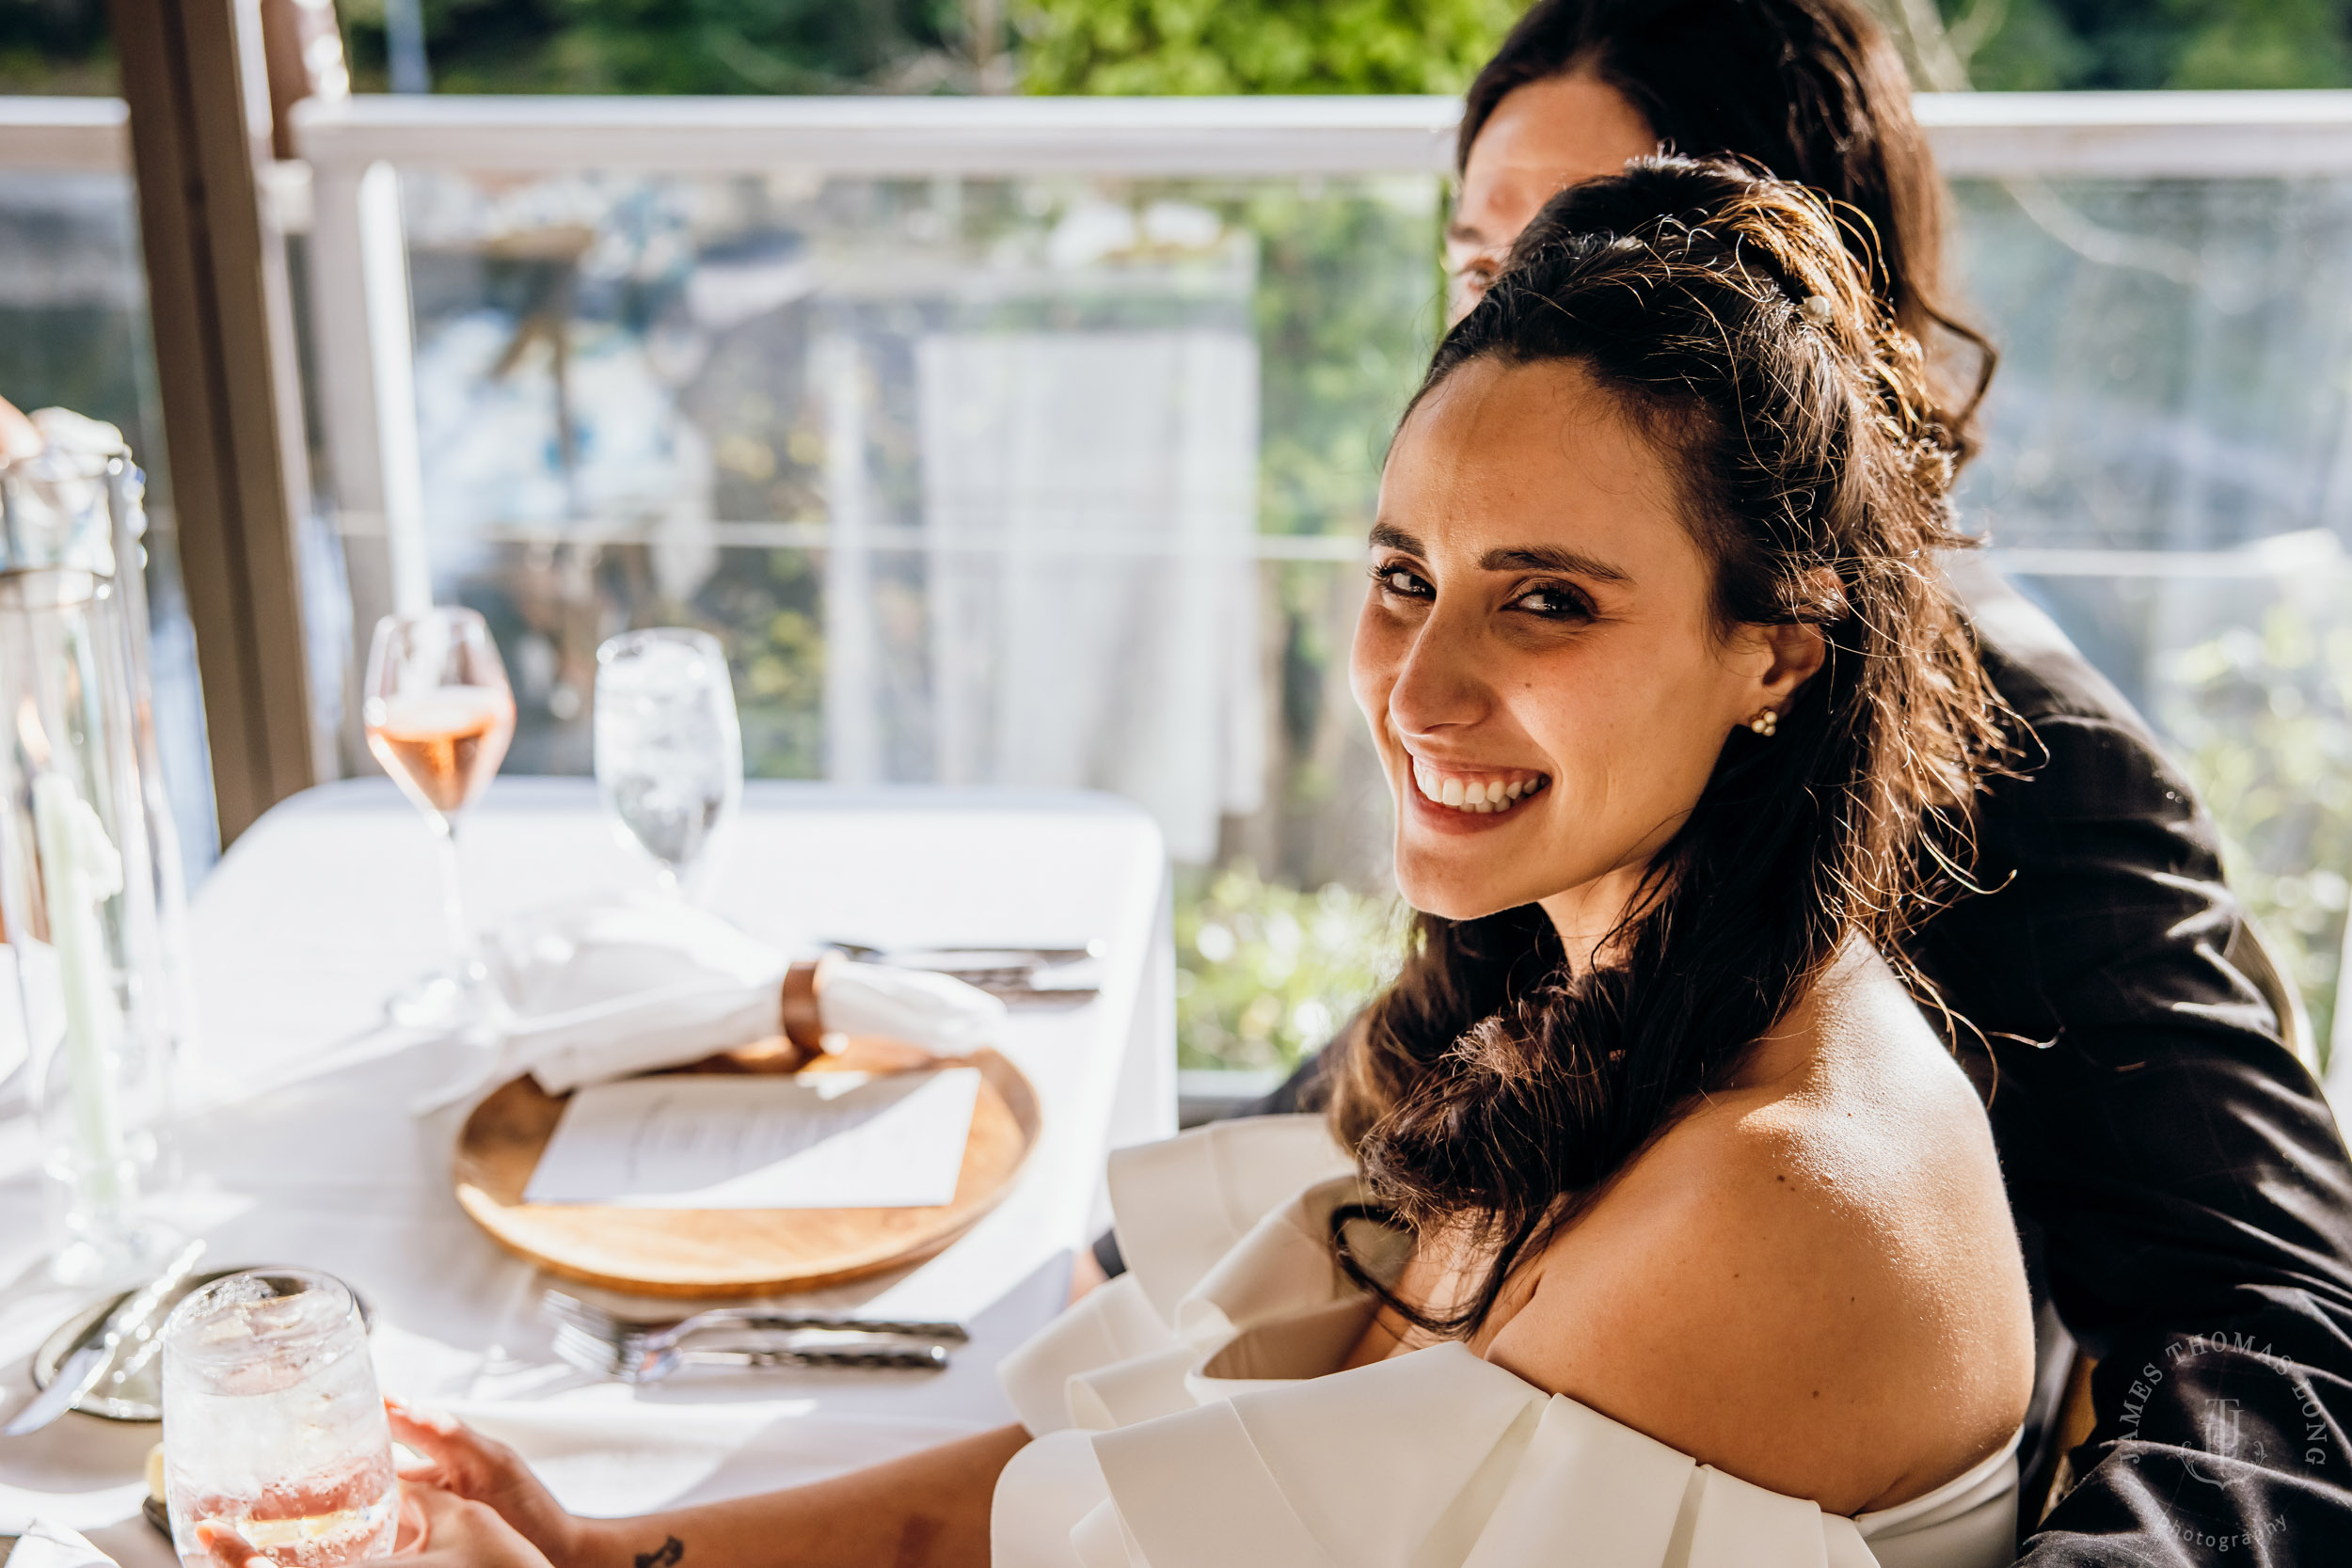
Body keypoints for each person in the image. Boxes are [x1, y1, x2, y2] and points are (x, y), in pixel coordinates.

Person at [214, 158, 2041, 1568]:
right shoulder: (1602, 983)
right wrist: (606, 1546)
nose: (1415, 685)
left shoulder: (1770, 1195)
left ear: (1774, 655)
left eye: (1544, 601)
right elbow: (1147, 1496)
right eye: (1403, 576)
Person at [1085, 2, 2352, 1560]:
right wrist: (1135, 1262)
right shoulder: (1563, 714)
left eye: (1616, 245)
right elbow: (1495, 1020)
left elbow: (2291, 1328)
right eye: (1485, 270)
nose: (1533, 319)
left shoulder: (2038, 769)